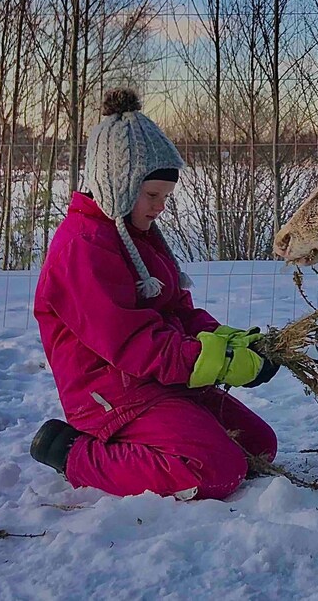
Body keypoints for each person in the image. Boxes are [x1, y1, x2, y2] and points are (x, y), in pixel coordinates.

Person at [29, 88, 279, 500]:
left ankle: (162, 439)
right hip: (114, 395)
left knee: (257, 445)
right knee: (216, 469)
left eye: (166, 196)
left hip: (159, 383)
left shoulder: (138, 235)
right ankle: (73, 452)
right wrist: (215, 364)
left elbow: (178, 311)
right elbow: (132, 342)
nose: (161, 206)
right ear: (117, 186)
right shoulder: (84, 247)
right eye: (152, 195)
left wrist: (231, 344)